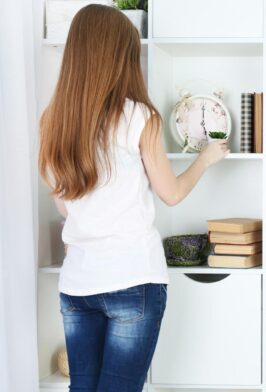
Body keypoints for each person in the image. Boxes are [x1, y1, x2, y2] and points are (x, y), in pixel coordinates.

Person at [37, 5, 229, 391]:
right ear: (118, 57)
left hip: (77, 286)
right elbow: (171, 194)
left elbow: (64, 205)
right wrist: (205, 158)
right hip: (133, 278)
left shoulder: (53, 120)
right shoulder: (140, 116)